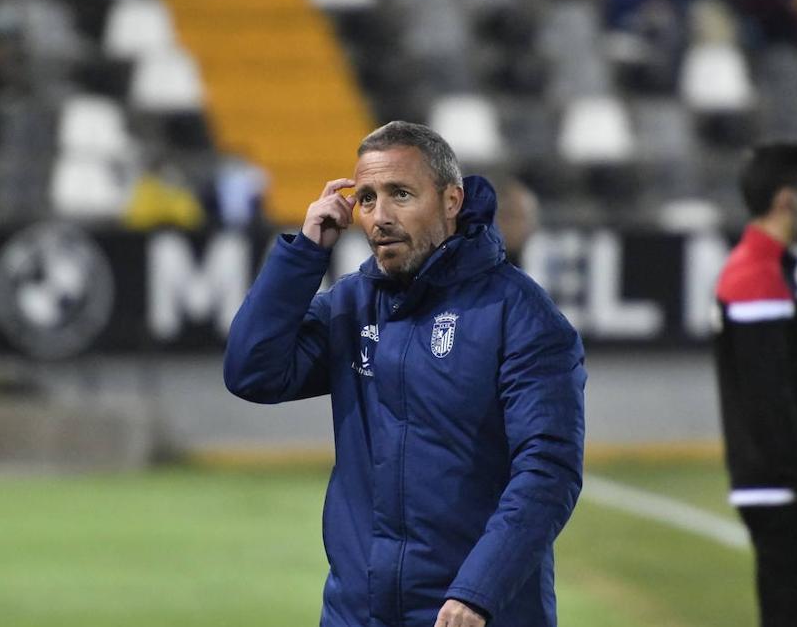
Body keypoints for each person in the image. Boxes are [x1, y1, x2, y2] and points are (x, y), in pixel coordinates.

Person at [224, 121, 586, 627]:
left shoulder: (520, 315)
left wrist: (478, 592)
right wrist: (305, 253)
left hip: (473, 614)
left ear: (451, 200)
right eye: (367, 198)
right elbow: (251, 371)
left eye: (401, 194)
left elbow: (548, 470)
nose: (380, 216)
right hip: (358, 614)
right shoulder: (352, 305)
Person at [712, 143, 797, 627]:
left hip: (784, 487)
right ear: (786, 200)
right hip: (785, 491)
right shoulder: (757, 276)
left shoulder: (775, 272)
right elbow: (769, 401)